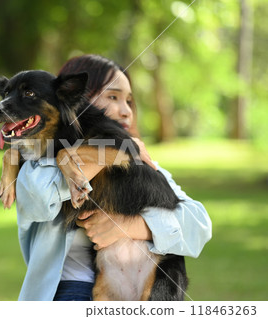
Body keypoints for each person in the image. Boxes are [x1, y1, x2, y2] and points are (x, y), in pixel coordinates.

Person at [14, 54, 212, 301]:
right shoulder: (37, 163)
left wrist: (134, 227)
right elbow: (40, 200)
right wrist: (108, 153)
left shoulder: (143, 164)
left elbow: (200, 225)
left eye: (129, 101)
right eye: (113, 97)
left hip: (147, 289)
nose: (126, 111)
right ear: (76, 99)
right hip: (71, 289)